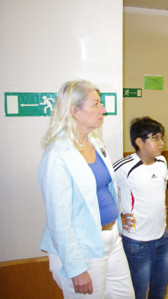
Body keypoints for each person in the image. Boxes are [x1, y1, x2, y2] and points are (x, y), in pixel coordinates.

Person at [39, 80, 135, 298]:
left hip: (111, 238)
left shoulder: (95, 144)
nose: (103, 110)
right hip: (82, 248)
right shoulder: (57, 155)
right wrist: (76, 268)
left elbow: (104, 190)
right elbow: (58, 220)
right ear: (74, 111)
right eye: (95, 104)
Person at [113, 117, 168, 299]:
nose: (161, 143)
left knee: (159, 289)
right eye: (155, 138)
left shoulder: (162, 162)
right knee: (137, 292)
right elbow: (98, 190)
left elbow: (161, 187)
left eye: (162, 138)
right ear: (139, 142)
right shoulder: (124, 167)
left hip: (162, 237)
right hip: (137, 242)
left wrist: (161, 207)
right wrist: (116, 217)